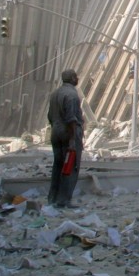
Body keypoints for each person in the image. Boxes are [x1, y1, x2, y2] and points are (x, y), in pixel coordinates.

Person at [47, 69, 84, 208]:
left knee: (57, 165)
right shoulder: (72, 95)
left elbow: (50, 116)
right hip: (68, 133)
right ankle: (64, 200)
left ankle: (53, 197)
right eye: (76, 76)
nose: (78, 78)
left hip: (55, 132)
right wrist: (72, 140)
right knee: (70, 165)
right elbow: (71, 119)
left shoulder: (55, 93)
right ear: (73, 78)